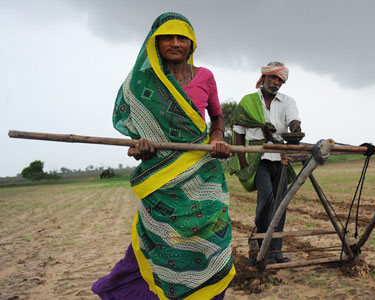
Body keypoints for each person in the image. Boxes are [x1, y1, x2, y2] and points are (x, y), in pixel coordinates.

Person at [92, 12, 234, 300]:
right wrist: (140, 147)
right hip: (163, 184)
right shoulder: (140, 85)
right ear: (155, 43)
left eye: (182, 38)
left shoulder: (205, 77)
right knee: (156, 245)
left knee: (213, 243)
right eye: (167, 37)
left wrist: (217, 138)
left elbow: (217, 118)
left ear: (191, 44)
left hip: (203, 175)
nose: (175, 43)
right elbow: (135, 143)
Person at [229, 62, 301, 264]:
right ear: (264, 78)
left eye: (280, 80)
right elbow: (238, 135)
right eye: (273, 78)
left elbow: (294, 120)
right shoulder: (248, 102)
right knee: (266, 201)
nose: (276, 82)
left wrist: (295, 127)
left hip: (281, 159)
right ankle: (261, 249)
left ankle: (276, 253)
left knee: (281, 205)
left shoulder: (287, 101)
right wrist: (243, 164)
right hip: (257, 159)